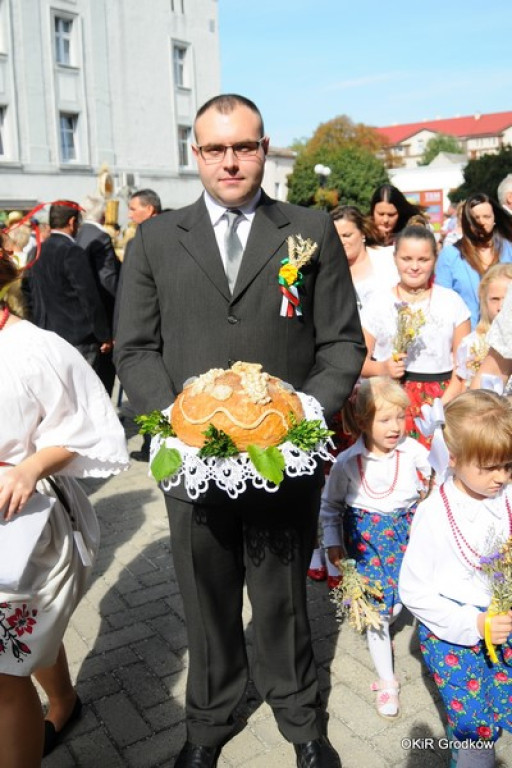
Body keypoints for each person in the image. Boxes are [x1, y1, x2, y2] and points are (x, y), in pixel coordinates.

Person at [114, 93, 365, 768]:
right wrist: (174, 418)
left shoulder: (306, 228)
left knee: (282, 594)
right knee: (206, 596)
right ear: (196, 154)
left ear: (263, 148)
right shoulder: (157, 239)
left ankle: (299, 716)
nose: (231, 161)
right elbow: (134, 347)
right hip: (192, 460)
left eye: (244, 146)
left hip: (283, 458)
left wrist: (304, 414)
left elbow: (341, 343)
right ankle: (211, 718)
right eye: (216, 148)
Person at [0, 241, 129, 768]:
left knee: (5, 671)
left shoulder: (33, 349)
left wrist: (30, 467)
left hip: (22, 531)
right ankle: (65, 699)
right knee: (21, 646)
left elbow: (86, 430)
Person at [399, 390, 512, 768]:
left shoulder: (508, 496)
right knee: (474, 730)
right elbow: (413, 591)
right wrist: (475, 623)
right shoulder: (434, 514)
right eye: (490, 467)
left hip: (505, 623)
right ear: (455, 459)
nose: (501, 477)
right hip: (457, 637)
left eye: (508, 465)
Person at [320, 377, 431, 718]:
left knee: (406, 604)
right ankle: (386, 680)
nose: (395, 427)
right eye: (385, 419)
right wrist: (334, 542)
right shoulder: (348, 463)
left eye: (400, 417)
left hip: (409, 538)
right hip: (367, 542)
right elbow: (330, 507)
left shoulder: (414, 453)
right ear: (363, 422)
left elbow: (433, 486)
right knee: (378, 613)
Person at [360, 225, 471, 447]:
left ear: (435, 259)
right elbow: (359, 361)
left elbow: (465, 365)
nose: (414, 266)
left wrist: (443, 404)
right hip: (389, 401)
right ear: (395, 258)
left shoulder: (452, 302)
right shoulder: (377, 302)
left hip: (442, 397)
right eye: (407, 258)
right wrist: (383, 368)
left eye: (423, 259)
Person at [22, 200, 112, 372]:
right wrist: (104, 334)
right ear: (72, 222)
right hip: (77, 337)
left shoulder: (37, 250)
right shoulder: (72, 251)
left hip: (46, 334)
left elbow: (27, 290)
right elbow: (88, 296)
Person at [116, 188, 162, 461]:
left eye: (134, 209)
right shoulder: (135, 240)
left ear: (150, 209)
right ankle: (151, 444)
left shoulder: (162, 237)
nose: (129, 215)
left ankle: (154, 445)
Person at [435, 193, 512, 329]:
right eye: (475, 218)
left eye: (486, 217)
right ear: (467, 221)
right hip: (468, 336)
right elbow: (441, 302)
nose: (481, 222)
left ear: (494, 219)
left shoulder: (509, 249)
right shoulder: (450, 255)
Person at [76, 193, 121, 395]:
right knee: (103, 376)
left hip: (80, 316)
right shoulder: (100, 237)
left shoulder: (77, 235)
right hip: (103, 313)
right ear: (102, 215)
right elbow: (108, 280)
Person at [331, 205, 398, 310]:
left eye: (346, 235)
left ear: (362, 233)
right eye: (336, 237)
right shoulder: (330, 271)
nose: (341, 242)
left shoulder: (389, 257)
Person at [456, 263, 512, 387]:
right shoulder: (472, 343)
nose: (501, 307)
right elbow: (464, 388)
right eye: (495, 299)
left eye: (507, 299)